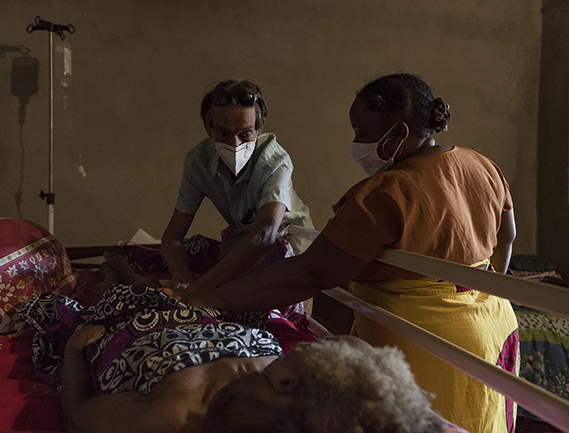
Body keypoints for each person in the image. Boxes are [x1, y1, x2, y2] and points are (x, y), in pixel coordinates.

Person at [168, 73, 519, 433]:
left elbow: (311, 273)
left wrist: (212, 298)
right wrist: (482, 292)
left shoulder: (386, 193)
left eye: (361, 131)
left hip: (423, 341)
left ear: (397, 133)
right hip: (494, 326)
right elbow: (507, 238)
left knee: (419, 420)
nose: (356, 143)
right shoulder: (482, 165)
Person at [15, 259, 446, 433]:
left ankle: (113, 272)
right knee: (153, 285)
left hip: (133, 323)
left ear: (288, 381)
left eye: (314, 349)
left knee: (110, 292)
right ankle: (126, 268)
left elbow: (79, 410)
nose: (311, 343)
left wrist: (73, 350)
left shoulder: (176, 412)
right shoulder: (294, 386)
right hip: (208, 315)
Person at [161, 79, 313, 292]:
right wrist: (182, 275)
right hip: (248, 239)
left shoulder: (275, 162)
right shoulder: (199, 162)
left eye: (245, 134)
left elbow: (265, 233)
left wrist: (200, 289)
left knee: (274, 312)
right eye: (223, 134)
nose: (235, 145)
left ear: (259, 128)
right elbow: (172, 236)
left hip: (289, 245)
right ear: (209, 128)